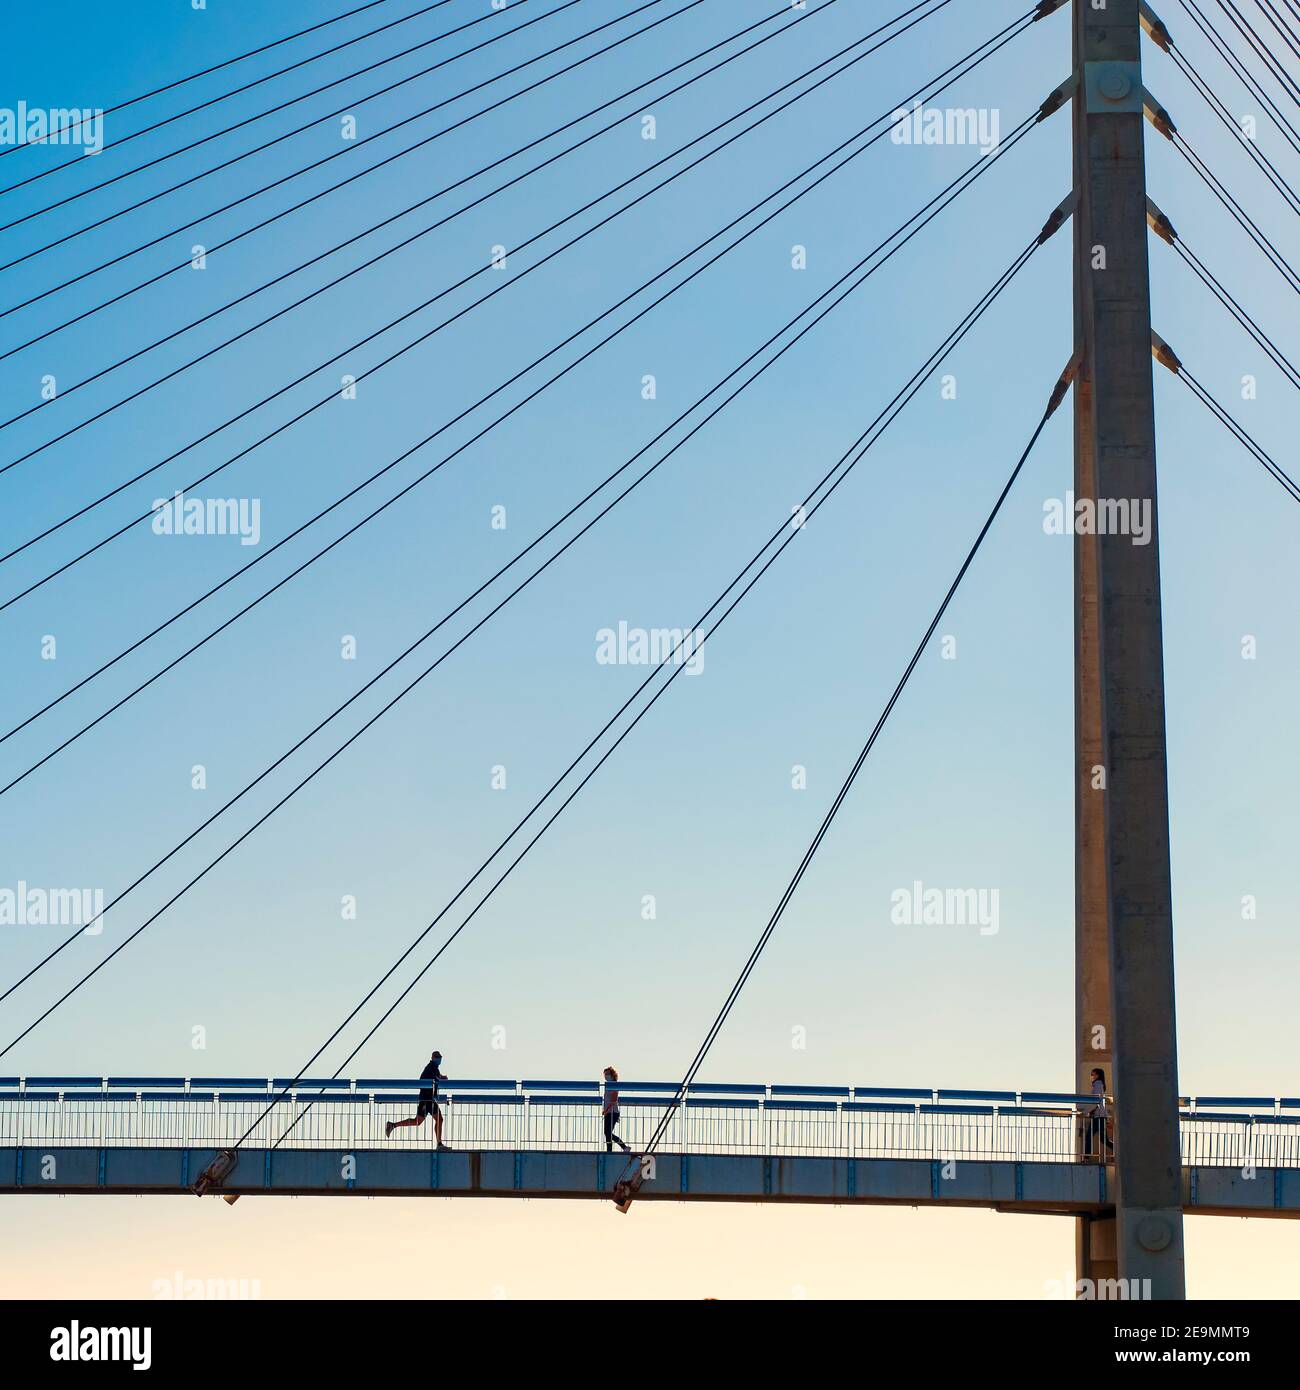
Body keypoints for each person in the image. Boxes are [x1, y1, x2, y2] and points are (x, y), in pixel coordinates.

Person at [386, 1049, 449, 1148]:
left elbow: (437, 1077)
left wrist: (442, 1077)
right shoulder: (431, 1067)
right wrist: (442, 1078)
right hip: (427, 1099)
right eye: (437, 1057)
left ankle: (393, 1125)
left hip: (427, 1099)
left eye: (440, 1057)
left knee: (418, 1121)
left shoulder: (433, 1067)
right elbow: (436, 1078)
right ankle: (439, 1143)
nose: (439, 1059)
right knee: (438, 1120)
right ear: (432, 1058)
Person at [1085, 1066, 1113, 1160]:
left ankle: (1087, 1157)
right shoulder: (1099, 1084)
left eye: (1093, 1074)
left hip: (1098, 1115)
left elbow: (1096, 1100)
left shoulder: (1097, 1084)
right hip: (1100, 1115)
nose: (1091, 1076)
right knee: (1103, 1139)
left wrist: (1088, 1111)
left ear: (1098, 1075)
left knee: (1089, 1137)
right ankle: (1117, 1150)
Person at [602, 1066, 631, 1154]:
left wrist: (606, 1109)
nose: (606, 1076)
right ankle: (610, 1150)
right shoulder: (607, 1086)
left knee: (608, 1132)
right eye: (605, 1074)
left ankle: (623, 1146)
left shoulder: (614, 1085)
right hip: (608, 1112)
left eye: (608, 1074)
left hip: (612, 1112)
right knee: (607, 1133)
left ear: (612, 1075)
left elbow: (614, 1099)